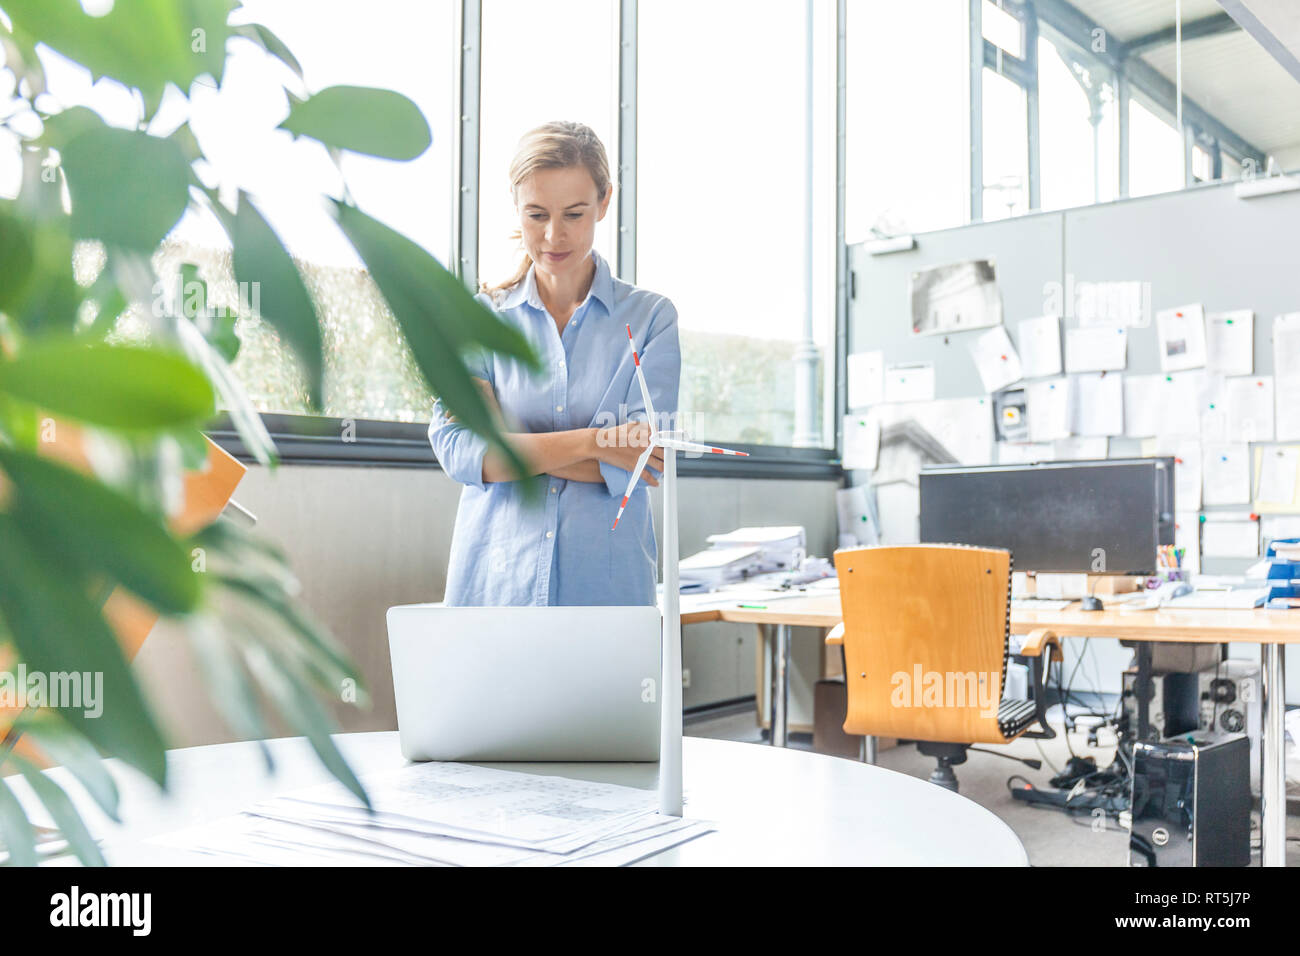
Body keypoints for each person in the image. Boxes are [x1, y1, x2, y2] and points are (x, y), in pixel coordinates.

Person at [429, 121, 680, 607]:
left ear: (605, 202)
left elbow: (642, 464)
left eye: (574, 214)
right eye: (536, 214)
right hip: (493, 588)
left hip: (606, 592)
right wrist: (595, 443)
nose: (552, 235)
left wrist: (512, 451)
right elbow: (463, 454)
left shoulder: (651, 319)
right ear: (516, 208)